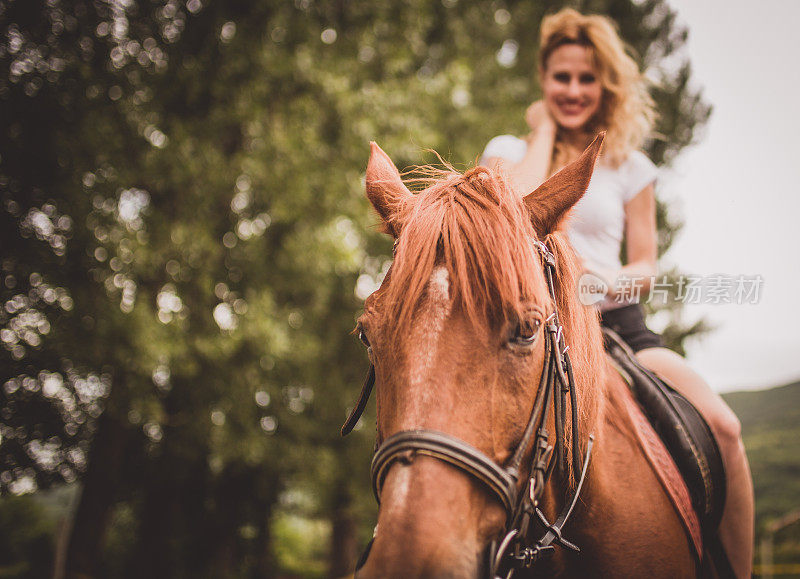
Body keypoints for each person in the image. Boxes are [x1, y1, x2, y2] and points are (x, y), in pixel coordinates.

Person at [480, 8, 753, 577]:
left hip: (616, 323)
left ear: (605, 85)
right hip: (528, 328)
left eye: (586, 78)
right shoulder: (507, 151)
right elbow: (515, 211)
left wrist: (608, 284)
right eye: (562, 77)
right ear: (543, 80)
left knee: (725, 427)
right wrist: (545, 132)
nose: (574, 89)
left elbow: (647, 263)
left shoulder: (632, 166)